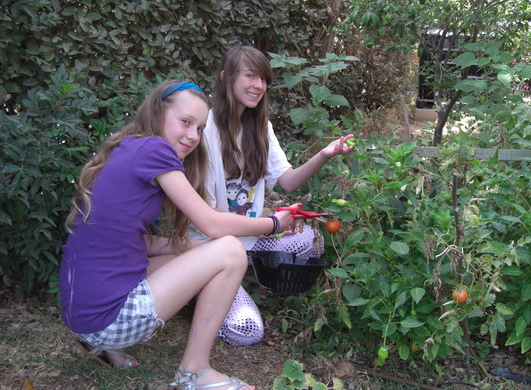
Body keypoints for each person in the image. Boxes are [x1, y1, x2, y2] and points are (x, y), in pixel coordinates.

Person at [59, 80, 296, 390]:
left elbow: (141, 242)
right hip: (107, 319)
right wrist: (275, 224)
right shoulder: (155, 149)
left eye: (199, 128)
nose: (193, 137)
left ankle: (105, 347)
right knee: (231, 251)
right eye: (185, 122)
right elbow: (211, 223)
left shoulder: (129, 147)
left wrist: (200, 251)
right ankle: (194, 372)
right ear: (158, 113)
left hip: (81, 316)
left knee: (196, 250)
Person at [187, 45, 356, 346]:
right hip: (209, 243)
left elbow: (287, 182)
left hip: (247, 239)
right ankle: (202, 288)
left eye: (263, 78)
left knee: (307, 242)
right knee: (247, 332)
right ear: (226, 78)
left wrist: (325, 153)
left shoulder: (260, 128)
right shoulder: (205, 129)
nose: (259, 86)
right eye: (250, 76)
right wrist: (274, 223)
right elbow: (208, 220)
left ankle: (234, 282)